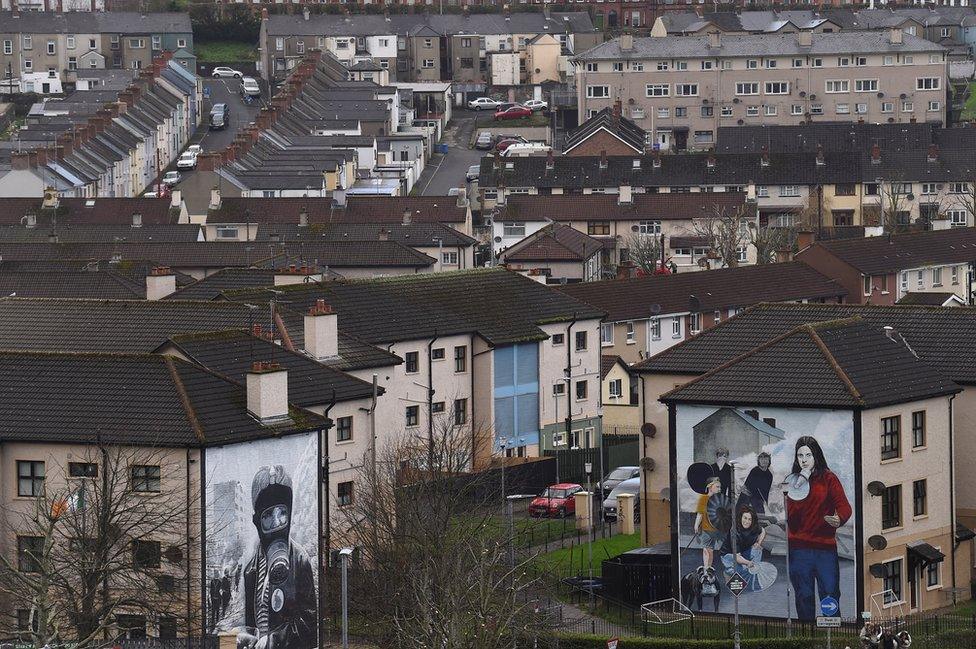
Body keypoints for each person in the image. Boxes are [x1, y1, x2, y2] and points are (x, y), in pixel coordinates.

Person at [237, 465, 317, 649]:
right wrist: (248, 640)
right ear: (257, 521)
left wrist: (274, 640)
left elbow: (309, 621)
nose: (277, 522)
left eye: (282, 512)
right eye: (267, 516)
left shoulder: (299, 559)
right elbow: (251, 626)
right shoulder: (251, 570)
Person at [786, 436, 852, 621]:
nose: (804, 459)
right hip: (799, 549)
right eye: (800, 455)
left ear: (816, 456)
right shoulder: (792, 482)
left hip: (825, 549)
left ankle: (833, 634)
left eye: (808, 454)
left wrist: (839, 519)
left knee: (830, 594)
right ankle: (806, 636)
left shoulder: (829, 478)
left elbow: (845, 506)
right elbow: (791, 518)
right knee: (803, 595)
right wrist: (800, 485)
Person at [720, 505, 766, 580]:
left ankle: (753, 572)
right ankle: (728, 571)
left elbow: (763, 531)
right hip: (729, 555)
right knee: (738, 571)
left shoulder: (754, 526)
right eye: (745, 518)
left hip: (743, 552)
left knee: (758, 549)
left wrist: (759, 543)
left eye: (750, 519)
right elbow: (737, 557)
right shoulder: (735, 531)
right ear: (741, 517)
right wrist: (748, 563)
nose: (747, 522)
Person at [694, 477, 724, 575]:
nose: (719, 489)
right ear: (710, 487)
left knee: (711, 551)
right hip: (706, 529)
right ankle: (706, 569)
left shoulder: (719, 499)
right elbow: (700, 514)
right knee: (707, 550)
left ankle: (708, 568)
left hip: (716, 530)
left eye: (720, 487)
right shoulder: (703, 498)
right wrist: (696, 525)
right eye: (717, 487)